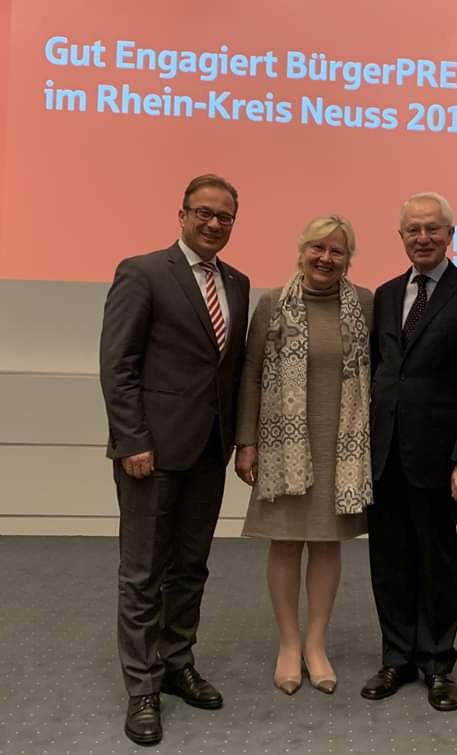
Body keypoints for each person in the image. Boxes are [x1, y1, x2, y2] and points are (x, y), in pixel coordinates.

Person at [99, 174, 250, 746]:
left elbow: (228, 371)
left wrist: (238, 440)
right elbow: (119, 365)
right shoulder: (141, 272)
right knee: (143, 573)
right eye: (204, 213)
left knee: (191, 567)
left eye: (225, 216)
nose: (214, 223)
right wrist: (132, 439)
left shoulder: (236, 282)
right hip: (151, 452)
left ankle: (176, 661)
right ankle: (142, 687)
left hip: (208, 451)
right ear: (182, 214)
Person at [361, 192, 457, 712]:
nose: (423, 238)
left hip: (441, 459)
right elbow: (381, 372)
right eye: (413, 230)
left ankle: (438, 663)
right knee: (388, 560)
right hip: (385, 453)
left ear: (450, 235)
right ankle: (397, 657)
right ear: (401, 237)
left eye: (433, 229)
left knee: (436, 561)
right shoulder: (387, 293)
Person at [234, 215, 373, 696]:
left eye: (337, 250)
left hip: (343, 446)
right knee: (286, 541)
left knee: (328, 542)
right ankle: (289, 645)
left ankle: (317, 644)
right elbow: (249, 373)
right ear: (302, 250)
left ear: (348, 258)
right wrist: (246, 442)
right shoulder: (272, 303)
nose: (326, 258)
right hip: (281, 446)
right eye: (318, 247)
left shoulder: (366, 305)